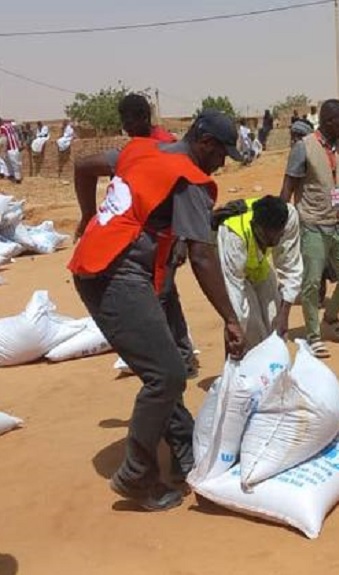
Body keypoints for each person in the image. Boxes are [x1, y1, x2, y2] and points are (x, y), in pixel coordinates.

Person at [69, 109, 248, 512]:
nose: (222, 163)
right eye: (222, 153)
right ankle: (137, 474)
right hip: (114, 276)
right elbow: (202, 256)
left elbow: (84, 166)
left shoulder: (144, 150)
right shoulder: (191, 181)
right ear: (205, 143)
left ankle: (185, 454)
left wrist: (88, 214)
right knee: (165, 374)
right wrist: (231, 319)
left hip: (119, 268)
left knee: (171, 365)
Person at [74, 93, 200, 378]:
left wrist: (181, 240)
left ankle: (178, 359)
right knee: (165, 294)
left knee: (163, 296)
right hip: (146, 241)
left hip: (165, 238)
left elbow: (185, 198)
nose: (127, 125)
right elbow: (82, 167)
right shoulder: (137, 148)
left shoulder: (162, 147)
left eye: (131, 118)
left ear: (145, 117)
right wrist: (87, 214)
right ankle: (178, 356)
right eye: (123, 119)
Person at [280, 99, 339, 359]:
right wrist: (278, 224)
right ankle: (313, 334)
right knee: (311, 283)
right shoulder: (302, 148)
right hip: (313, 224)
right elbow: (288, 187)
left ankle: (330, 317)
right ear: (330, 121)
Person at [212, 195, 303, 348]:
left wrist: (284, 314)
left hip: (259, 267)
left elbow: (291, 266)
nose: (276, 241)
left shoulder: (289, 218)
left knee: (275, 326)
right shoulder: (233, 235)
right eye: (269, 238)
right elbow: (234, 291)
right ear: (257, 226)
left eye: (279, 235)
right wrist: (235, 328)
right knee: (251, 329)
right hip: (234, 270)